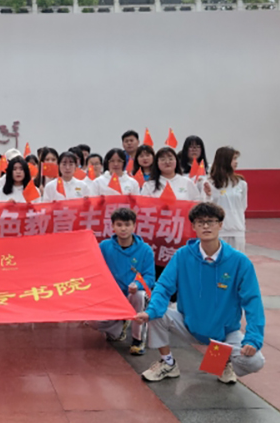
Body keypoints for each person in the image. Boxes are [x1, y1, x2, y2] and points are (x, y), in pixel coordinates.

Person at [135, 202, 266, 384]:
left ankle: (223, 362)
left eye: (211, 221)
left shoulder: (239, 262)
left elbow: (253, 302)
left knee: (255, 361)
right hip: (189, 325)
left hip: (224, 332)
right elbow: (163, 286)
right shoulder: (183, 256)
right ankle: (168, 363)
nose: (206, 226)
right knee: (156, 314)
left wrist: (253, 339)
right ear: (194, 227)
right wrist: (150, 312)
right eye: (200, 222)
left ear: (220, 225)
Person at [91, 208, 155, 355]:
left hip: (133, 296)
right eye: (119, 225)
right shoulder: (104, 247)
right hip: (112, 297)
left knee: (139, 295)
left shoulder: (145, 250)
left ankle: (138, 339)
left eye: (127, 225)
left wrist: (137, 285)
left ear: (134, 226)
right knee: (92, 321)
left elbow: (150, 278)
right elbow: (94, 268)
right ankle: (119, 327)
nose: (123, 229)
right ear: (113, 226)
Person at [204, 147, 248, 253]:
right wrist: (209, 196)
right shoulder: (210, 183)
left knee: (237, 261)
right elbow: (207, 206)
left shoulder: (241, 183)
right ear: (225, 160)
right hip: (218, 230)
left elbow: (243, 206)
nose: (236, 162)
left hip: (237, 230)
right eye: (234, 159)